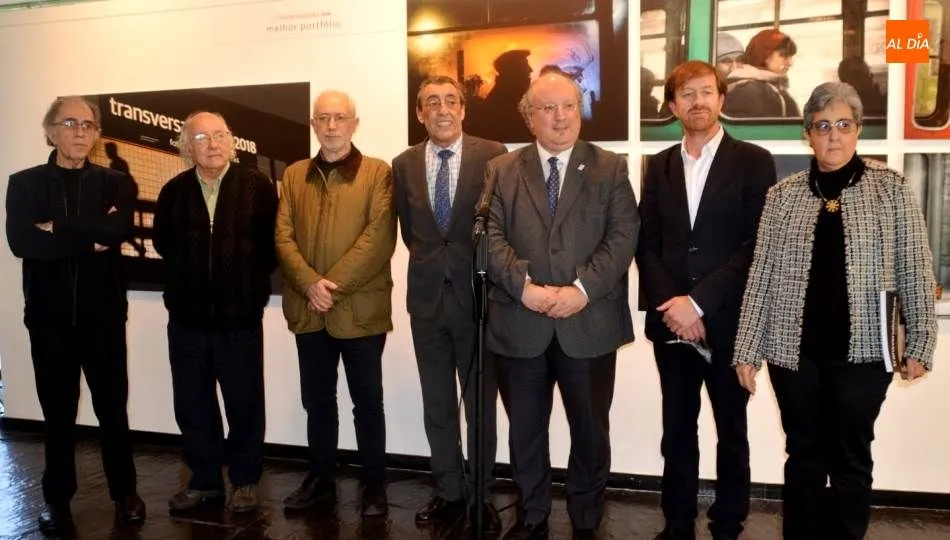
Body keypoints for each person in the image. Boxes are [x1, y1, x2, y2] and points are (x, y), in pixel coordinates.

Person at [733, 81, 938, 540]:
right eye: (822, 126)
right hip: (796, 355)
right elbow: (760, 275)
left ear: (858, 130)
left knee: (851, 457)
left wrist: (920, 341)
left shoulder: (892, 189)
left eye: (843, 125)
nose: (833, 135)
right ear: (808, 133)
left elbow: (915, 269)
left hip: (865, 355)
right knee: (803, 455)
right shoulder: (782, 197)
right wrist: (746, 349)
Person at [485, 70, 639, 539]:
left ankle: (586, 520)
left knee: (590, 433)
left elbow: (623, 235)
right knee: (525, 433)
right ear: (530, 118)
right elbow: (487, 239)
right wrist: (525, 288)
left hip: (588, 322)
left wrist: (581, 291)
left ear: (580, 109)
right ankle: (532, 516)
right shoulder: (502, 170)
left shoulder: (609, 167)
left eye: (568, 105)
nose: (560, 117)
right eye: (547, 108)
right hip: (520, 322)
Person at [636, 60, 777, 540]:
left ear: (721, 98)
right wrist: (674, 307)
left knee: (731, 433)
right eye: (686, 94)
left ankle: (728, 524)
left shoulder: (754, 161)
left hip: (728, 319)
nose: (697, 101)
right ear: (673, 105)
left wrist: (697, 303)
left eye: (706, 92)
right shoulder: (658, 166)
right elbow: (647, 242)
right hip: (671, 322)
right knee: (676, 430)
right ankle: (677, 523)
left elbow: (755, 244)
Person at [5, 96, 145, 532]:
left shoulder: (116, 183)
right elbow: (23, 244)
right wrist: (90, 237)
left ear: (97, 134)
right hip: (48, 322)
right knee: (58, 415)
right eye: (70, 123)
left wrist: (59, 228)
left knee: (112, 411)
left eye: (88, 124)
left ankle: (125, 493)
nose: (81, 132)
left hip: (102, 318)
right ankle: (57, 501)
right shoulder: (24, 184)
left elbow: (118, 229)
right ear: (49, 130)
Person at [392, 76, 507, 532]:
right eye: (431, 103)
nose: (442, 109)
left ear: (464, 109)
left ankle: (480, 496)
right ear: (420, 113)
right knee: (437, 404)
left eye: (451, 101)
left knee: (480, 404)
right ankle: (449, 491)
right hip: (426, 301)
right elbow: (410, 231)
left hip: (478, 298)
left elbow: (500, 223)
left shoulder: (493, 153)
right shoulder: (402, 164)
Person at [276, 90, 397, 517]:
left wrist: (331, 286)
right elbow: (283, 236)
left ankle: (374, 485)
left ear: (354, 123)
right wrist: (310, 284)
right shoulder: (293, 176)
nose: (331, 126)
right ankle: (321, 480)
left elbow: (379, 239)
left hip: (360, 313)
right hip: (310, 311)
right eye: (323, 118)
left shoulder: (379, 173)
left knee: (367, 404)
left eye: (339, 118)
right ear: (313, 124)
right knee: (318, 402)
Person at [152, 111, 278, 514]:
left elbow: (271, 248)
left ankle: (244, 482)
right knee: (192, 405)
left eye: (220, 134)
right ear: (187, 146)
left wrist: (243, 286)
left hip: (239, 319)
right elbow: (163, 245)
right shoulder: (172, 192)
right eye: (202, 137)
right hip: (187, 322)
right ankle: (204, 482)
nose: (213, 143)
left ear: (232, 141)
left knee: (244, 403)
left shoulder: (258, 187)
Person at [723, 28, 800, 118]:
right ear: (764, 55)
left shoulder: (770, 86)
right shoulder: (748, 91)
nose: (790, 63)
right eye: (783, 55)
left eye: (791, 56)